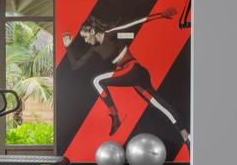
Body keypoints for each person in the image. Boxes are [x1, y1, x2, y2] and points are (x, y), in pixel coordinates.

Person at [63, 8, 190, 143]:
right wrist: (68, 47)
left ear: (92, 32)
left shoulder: (110, 34)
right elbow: (75, 66)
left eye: (85, 37)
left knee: (96, 81)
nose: (85, 41)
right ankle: (186, 137)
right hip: (135, 76)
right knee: (160, 105)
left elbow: (133, 23)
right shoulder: (95, 50)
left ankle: (115, 116)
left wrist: (160, 15)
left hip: (133, 70)